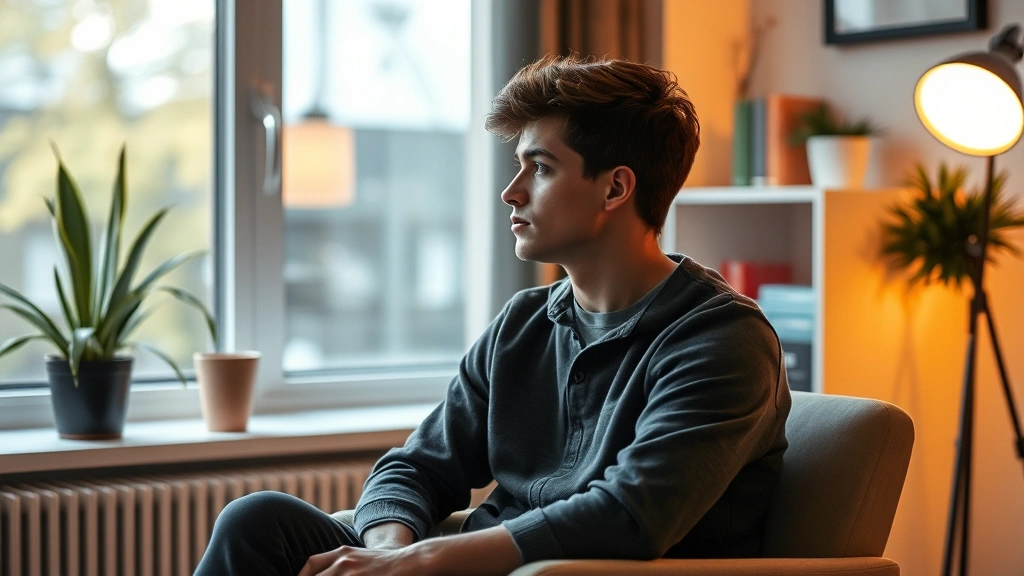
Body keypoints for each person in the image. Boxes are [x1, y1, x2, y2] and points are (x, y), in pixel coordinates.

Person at [195, 54, 792, 576]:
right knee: (259, 522)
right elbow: (416, 468)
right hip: (473, 566)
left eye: (542, 167)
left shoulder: (722, 340)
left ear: (615, 189)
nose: (512, 191)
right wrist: (389, 554)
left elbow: (630, 515)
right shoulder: (523, 323)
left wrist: (420, 563)